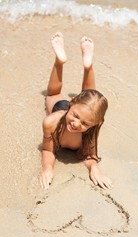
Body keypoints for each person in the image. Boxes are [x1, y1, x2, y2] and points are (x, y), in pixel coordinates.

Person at [39, 32, 113, 190]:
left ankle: (88, 66)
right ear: (71, 105)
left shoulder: (90, 129)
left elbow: (89, 154)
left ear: (95, 124)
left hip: (81, 110)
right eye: (76, 117)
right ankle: (59, 61)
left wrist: (94, 168)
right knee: (52, 95)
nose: (76, 124)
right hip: (59, 111)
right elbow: (48, 149)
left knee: (91, 103)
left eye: (85, 123)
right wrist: (48, 168)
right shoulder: (51, 122)